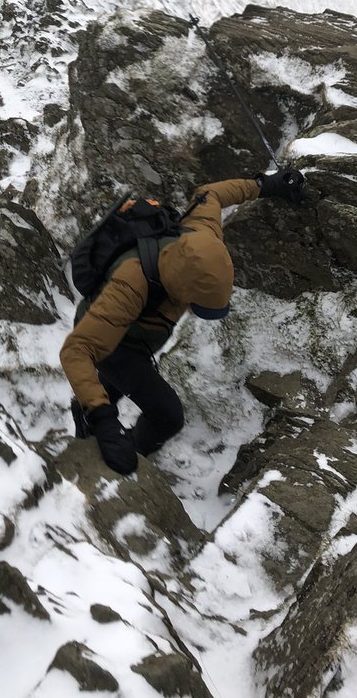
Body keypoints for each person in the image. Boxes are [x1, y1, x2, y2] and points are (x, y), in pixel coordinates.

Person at [60, 170, 305, 474]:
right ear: (181, 289)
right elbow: (77, 350)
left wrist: (266, 184)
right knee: (167, 415)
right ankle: (128, 450)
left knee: (124, 382)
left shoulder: (202, 232)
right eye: (196, 304)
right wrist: (106, 423)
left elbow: (211, 192)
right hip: (115, 341)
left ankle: (88, 408)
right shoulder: (131, 284)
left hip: (138, 332)